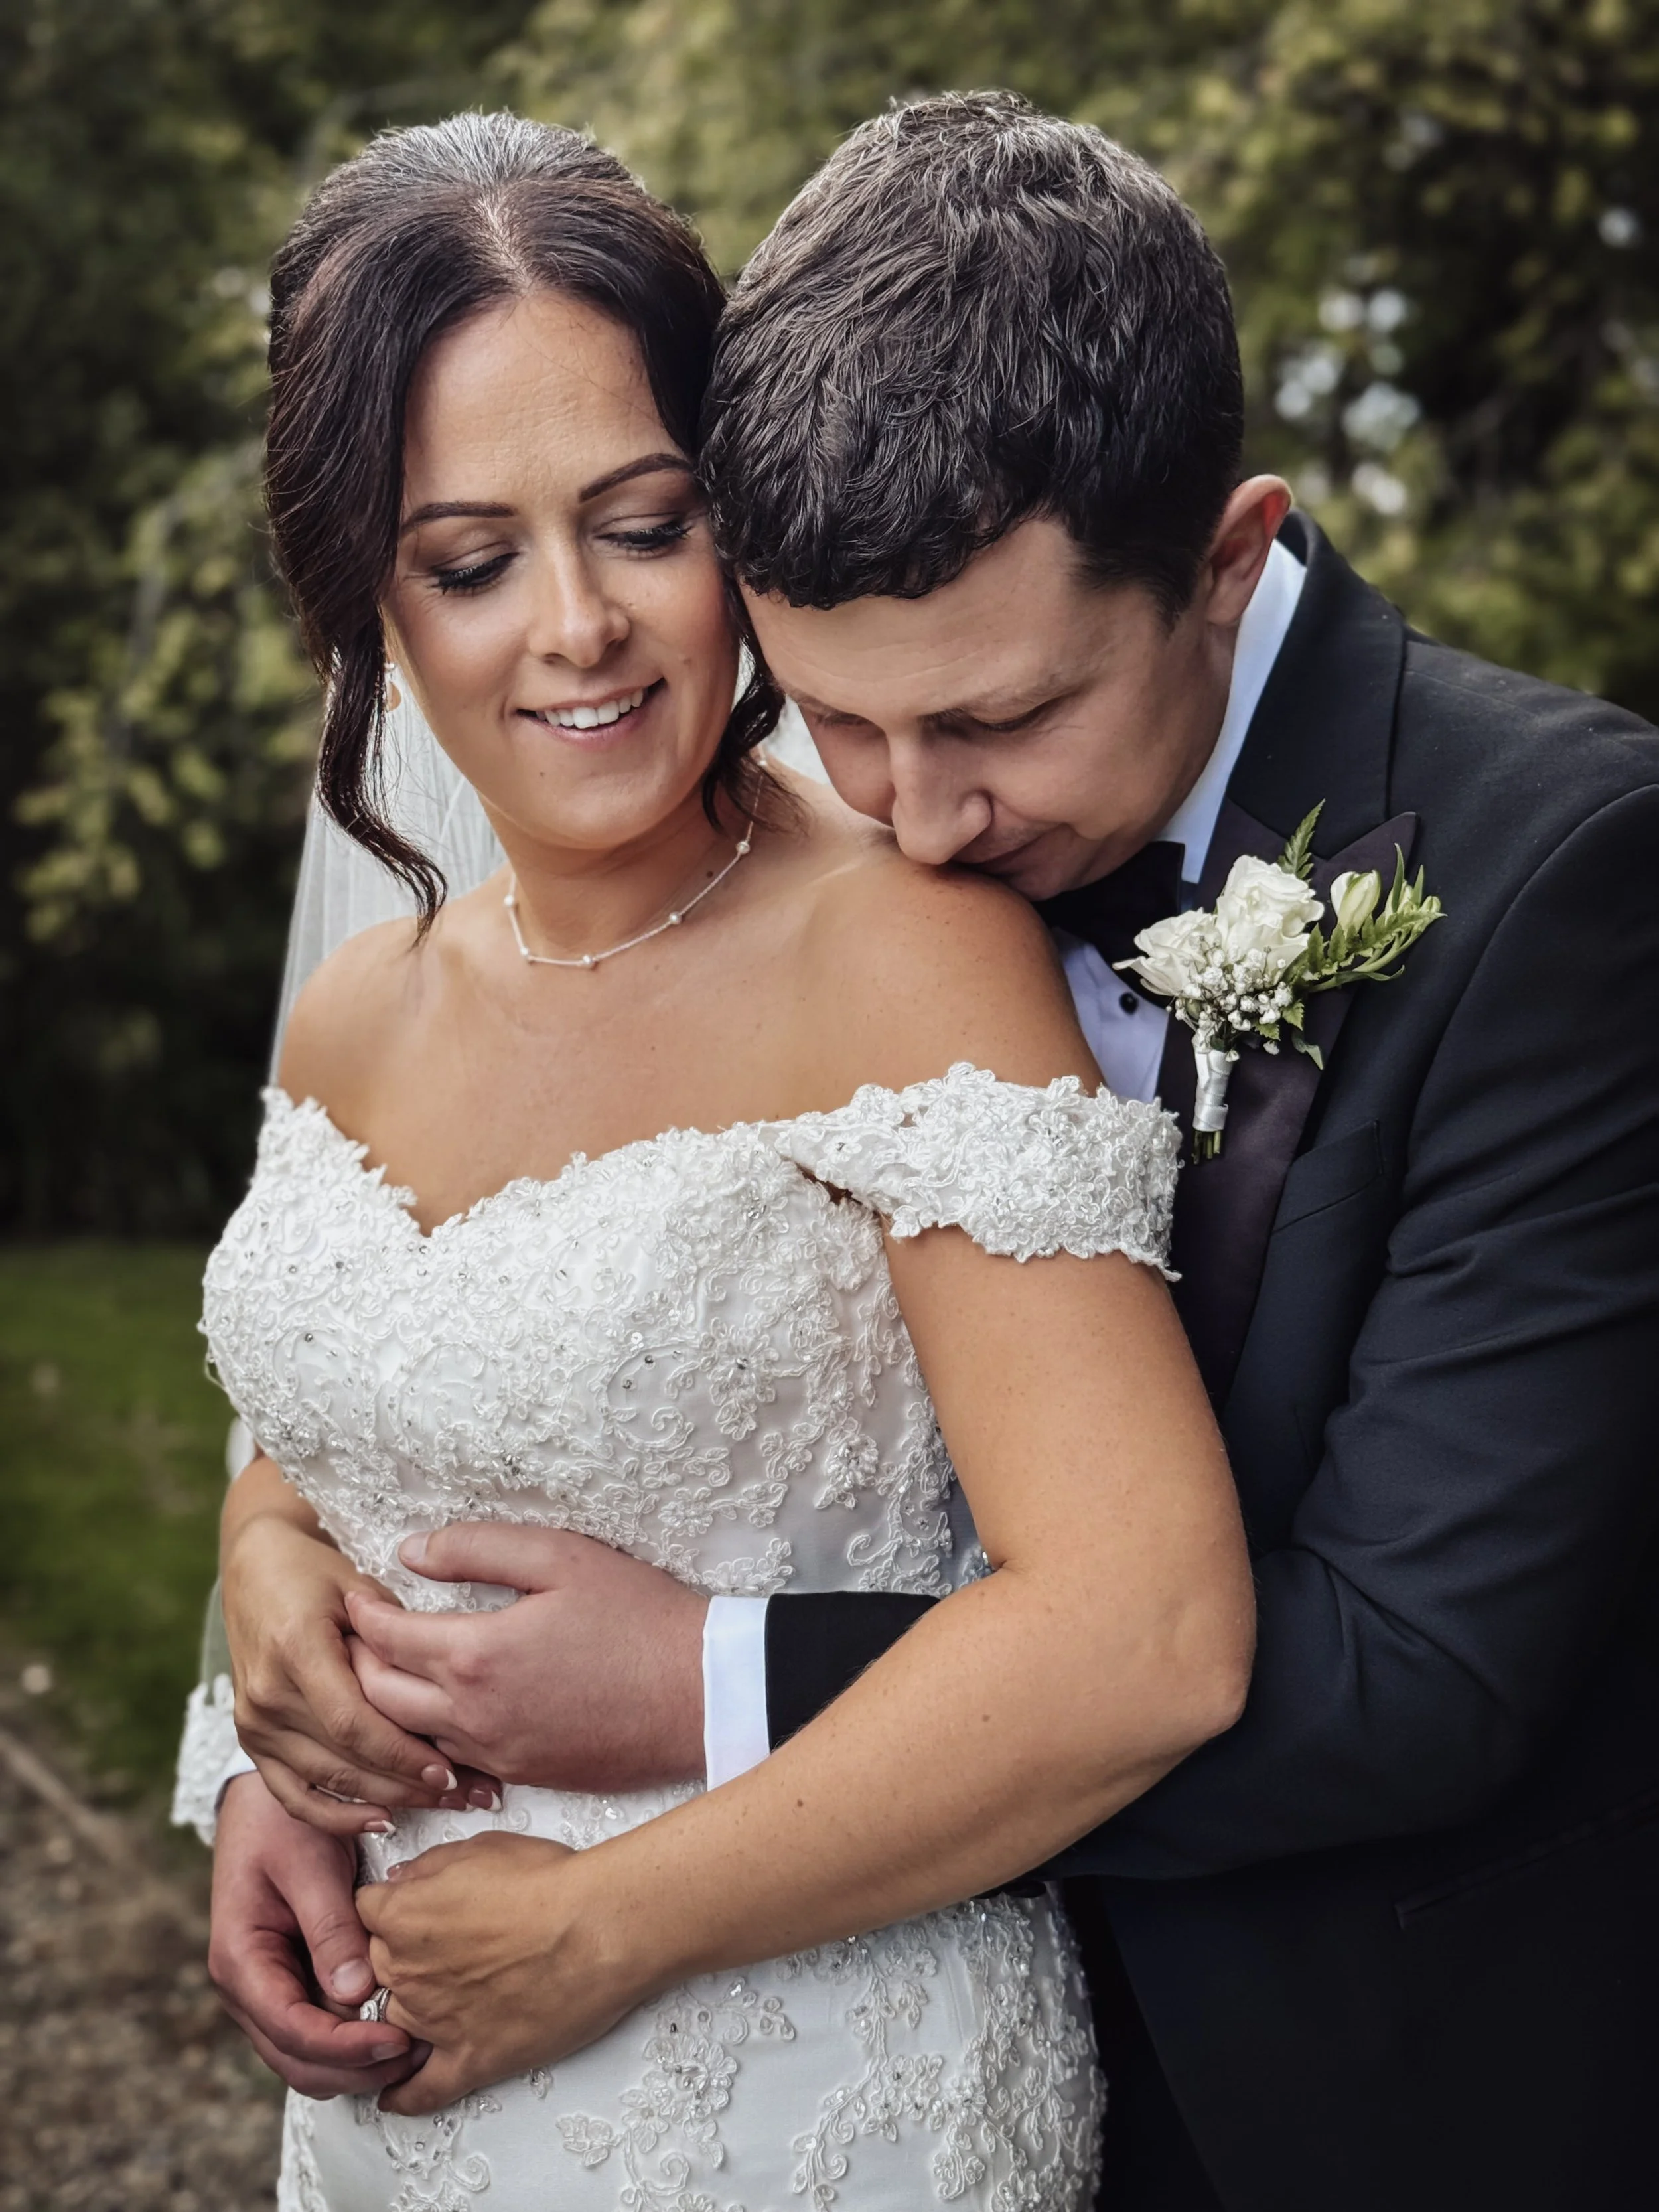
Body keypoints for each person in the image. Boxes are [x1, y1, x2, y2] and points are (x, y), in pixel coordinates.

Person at [188, 93, 1659, 2209]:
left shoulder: (1557, 879)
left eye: (990, 727)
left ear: (1226, 563)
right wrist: (272, 1649)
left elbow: (1369, 1665)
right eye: (842, 722)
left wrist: (686, 1707)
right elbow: (354, 1397)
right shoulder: (495, 946)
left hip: (1290, 2067)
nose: (917, 812)